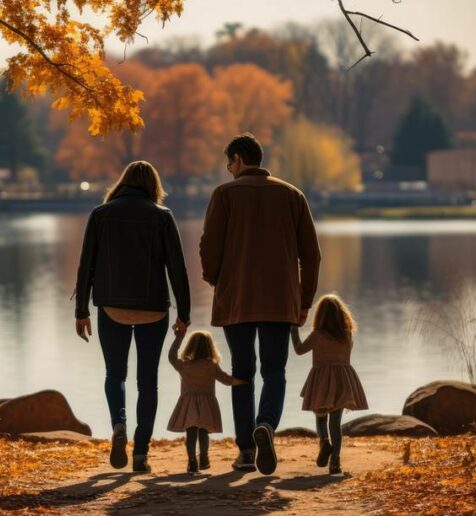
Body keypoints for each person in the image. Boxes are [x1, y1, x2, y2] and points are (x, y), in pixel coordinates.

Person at [199, 133, 321, 475]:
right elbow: (311, 255)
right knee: (274, 371)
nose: (228, 169)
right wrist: (304, 300)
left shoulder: (224, 195)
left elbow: (209, 247)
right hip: (280, 301)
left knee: (242, 373)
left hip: (236, 299)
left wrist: (215, 280)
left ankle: (246, 451)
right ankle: (266, 423)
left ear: (237, 159)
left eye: (228, 163)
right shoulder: (291, 195)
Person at [74, 161, 190, 473]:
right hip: (154, 308)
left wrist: (81, 310)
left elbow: (86, 264)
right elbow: (177, 268)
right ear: (154, 185)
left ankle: (118, 425)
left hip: (112, 307)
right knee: (148, 382)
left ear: (122, 182)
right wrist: (185, 313)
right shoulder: (162, 217)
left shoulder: (101, 214)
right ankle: (140, 452)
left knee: (115, 374)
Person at [291, 294, 369, 476]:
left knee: (320, 417)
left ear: (320, 316)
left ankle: (324, 441)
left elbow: (299, 350)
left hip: (322, 379)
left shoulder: (318, 335)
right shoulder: (347, 335)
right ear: (342, 315)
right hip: (343, 380)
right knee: (336, 422)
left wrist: (293, 331)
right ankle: (335, 460)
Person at [166, 329, 246, 475]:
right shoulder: (211, 365)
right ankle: (204, 458)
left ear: (190, 346)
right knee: (203, 432)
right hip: (207, 405)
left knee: (191, 433)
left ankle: (192, 462)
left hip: (188, 403)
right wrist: (244, 382)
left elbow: (171, 356)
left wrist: (179, 337)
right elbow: (226, 380)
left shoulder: (184, 365)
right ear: (210, 347)